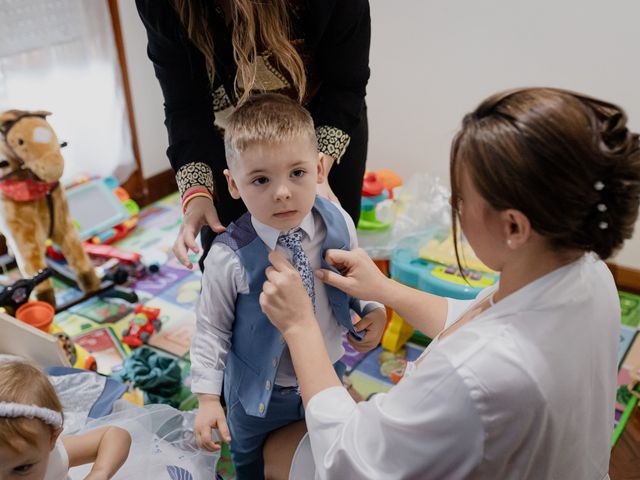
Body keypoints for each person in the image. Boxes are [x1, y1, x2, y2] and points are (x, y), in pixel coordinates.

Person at [259, 87, 640, 479]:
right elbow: (471, 318)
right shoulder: (589, 272)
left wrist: (300, 326)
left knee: (275, 451)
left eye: (460, 200)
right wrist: (384, 288)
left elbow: (345, 464)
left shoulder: (474, 375)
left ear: (513, 226)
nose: (453, 209)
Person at [189, 93, 386, 479]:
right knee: (249, 465)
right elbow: (211, 328)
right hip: (255, 396)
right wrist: (208, 398)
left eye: (296, 173)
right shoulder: (228, 256)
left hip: (328, 371)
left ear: (317, 169)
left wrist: (373, 311)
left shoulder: (338, 224)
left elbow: (357, 278)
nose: (281, 192)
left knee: (332, 449)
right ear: (232, 184)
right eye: (261, 179)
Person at [135, 0, 371, 270]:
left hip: (324, 129)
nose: (282, 193)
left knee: (328, 259)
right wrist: (197, 194)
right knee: (235, 265)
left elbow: (345, 85)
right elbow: (185, 106)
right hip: (231, 145)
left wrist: (314, 172)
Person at [0, 361, 131, 480]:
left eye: (22, 468)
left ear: (52, 440)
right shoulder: (29, 454)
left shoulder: (55, 458)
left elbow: (115, 434)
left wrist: (100, 472)